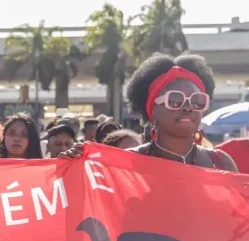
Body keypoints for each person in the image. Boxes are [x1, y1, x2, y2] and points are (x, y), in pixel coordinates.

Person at [62, 53, 237, 172]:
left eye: (197, 101)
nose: (187, 107)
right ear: (153, 109)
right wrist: (68, 168)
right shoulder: (126, 164)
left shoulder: (221, 162)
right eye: (175, 100)